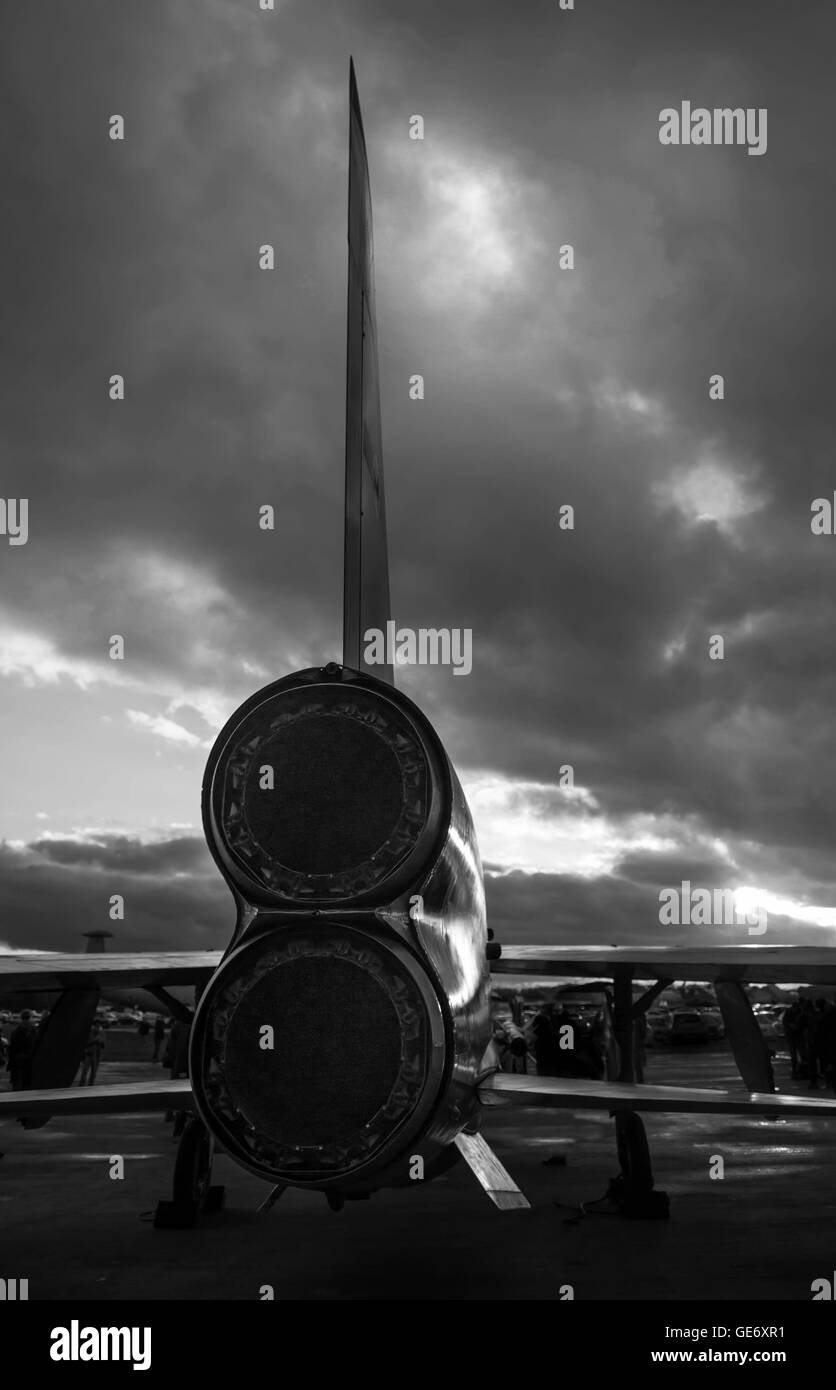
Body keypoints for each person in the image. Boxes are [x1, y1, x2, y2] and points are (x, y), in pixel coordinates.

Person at [8, 1010, 37, 1091]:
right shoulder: (33, 1029)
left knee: (17, 1083)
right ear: (30, 1017)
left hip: (17, 1057)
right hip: (29, 1057)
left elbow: (13, 1046)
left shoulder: (16, 1030)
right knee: (27, 1083)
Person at [79, 1020, 105, 1085]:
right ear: (94, 1026)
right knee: (85, 1071)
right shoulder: (90, 1033)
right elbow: (86, 1044)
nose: (97, 1027)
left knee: (94, 1072)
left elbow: (103, 1045)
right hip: (89, 1054)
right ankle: (81, 1084)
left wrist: (100, 1042)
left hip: (97, 1055)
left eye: (99, 1025)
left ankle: (91, 1085)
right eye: (96, 1025)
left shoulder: (101, 1033)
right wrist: (94, 1041)